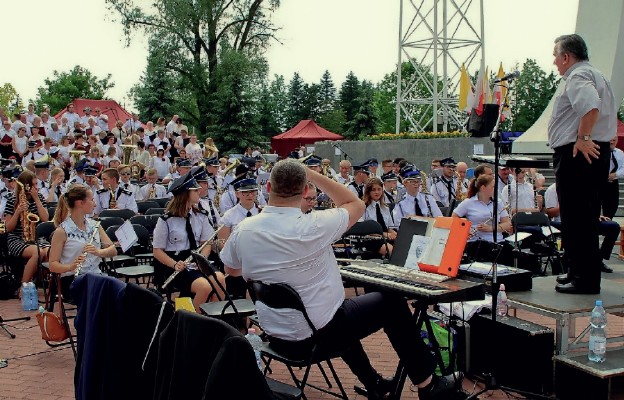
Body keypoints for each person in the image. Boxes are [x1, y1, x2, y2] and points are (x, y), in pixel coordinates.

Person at [220, 159, 457, 400]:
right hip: (314, 337)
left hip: (275, 334)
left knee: (337, 311)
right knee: (391, 302)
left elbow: (232, 270)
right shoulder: (315, 224)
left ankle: (373, 383)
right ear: (305, 190)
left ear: (267, 188)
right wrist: (312, 173)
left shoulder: (244, 229)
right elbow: (354, 203)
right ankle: (428, 384)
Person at [548, 34, 617, 294]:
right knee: (582, 216)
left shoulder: (577, 76)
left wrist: (583, 137)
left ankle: (584, 279)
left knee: (578, 217)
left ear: (566, 57)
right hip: (592, 153)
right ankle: (578, 272)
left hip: (579, 153)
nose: (554, 61)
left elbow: (590, 108)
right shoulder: (596, 74)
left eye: (556, 56)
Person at [152, 171, 226, 312]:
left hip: (196, 260)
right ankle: (190, 323)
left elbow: (206, 243)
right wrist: (175, 264)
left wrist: (201, 260)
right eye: (195, 190)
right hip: (174, 263)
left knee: (220, 279)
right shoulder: (166, 220)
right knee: (204, 287)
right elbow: (157, 251)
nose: (199, 191)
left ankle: (212, 319)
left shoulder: (201, 216)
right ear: (185, 193)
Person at [545, 182, 618, 274]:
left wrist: (596, 216)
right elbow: (550, 213)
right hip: (563, 221)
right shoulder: (552, 189)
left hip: (585, 220)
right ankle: (572, 261)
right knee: (580, 230)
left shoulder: (580, 187)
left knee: (613, 227)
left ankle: (598, 259)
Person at [48, 184, 117, 278]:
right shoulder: (62, 231)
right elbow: (52, 265)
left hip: (96, 276)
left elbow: (113, 250)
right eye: (92, 200)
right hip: (73, 279)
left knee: (124, 289)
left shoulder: (95, 225)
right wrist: (70, 267)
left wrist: (98, 252)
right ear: (80, 203)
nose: (95, 204)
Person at [452, 174, 513, 265]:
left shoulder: (498, 202)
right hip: (477, 243)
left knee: (514, 254)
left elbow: (507, 224)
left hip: (498, 241)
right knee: (490, 252)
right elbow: (454, 218)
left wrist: (490, 228)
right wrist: (465, 231)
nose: (494, 189)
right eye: (492, 187)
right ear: (483, 188)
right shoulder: (468, 203)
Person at [4, 170, 50, 285]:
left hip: (36, 237)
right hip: (17, 238)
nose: (36, 187)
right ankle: (24, 286)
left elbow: (45, 219)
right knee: (38, 253)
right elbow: (8, 228)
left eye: (36, 184)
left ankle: (49, 286)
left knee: (50, 252)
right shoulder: (12, 199)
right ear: (26, 186)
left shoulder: (38, 197)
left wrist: (36, 199)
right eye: (33, 184)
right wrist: (18, 211)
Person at [359, 177, 396, 257]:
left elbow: (390, 228)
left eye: (379, 189)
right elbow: (364, 231)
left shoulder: (385, 208)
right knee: (391, 250)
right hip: (371, 239)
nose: (377, 192)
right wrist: (385, 234)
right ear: (368, 192)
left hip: (386, 238)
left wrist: (396, 235)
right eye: (374, 190)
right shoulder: (364, 208)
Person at [603, 136, 624, 219]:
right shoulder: (600, 152)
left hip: (613, 183)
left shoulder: (620, 153)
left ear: (617, 141)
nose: (611, 142)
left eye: (614, 140)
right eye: (610, 140)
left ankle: (608, 222)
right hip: (601, 181)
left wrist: (615, 174)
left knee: (613, 205)